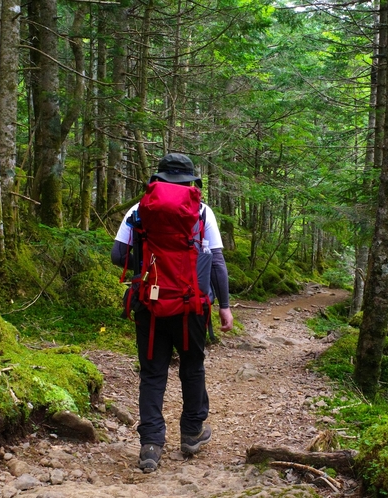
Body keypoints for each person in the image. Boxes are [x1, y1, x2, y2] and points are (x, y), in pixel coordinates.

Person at [111, 153, 234, 473]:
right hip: (191, 306)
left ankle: (151, 444)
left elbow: (117, 255)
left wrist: (149, 262)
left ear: (159, 178)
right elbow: (217, 263)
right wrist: (224, 305)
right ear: (191, 181)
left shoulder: (138, 210)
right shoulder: (202, 212)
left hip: (149, 306)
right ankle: (192, 433)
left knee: (152, 373)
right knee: (192, 368)